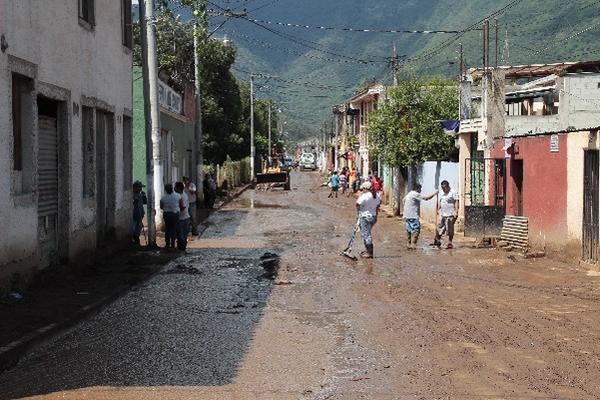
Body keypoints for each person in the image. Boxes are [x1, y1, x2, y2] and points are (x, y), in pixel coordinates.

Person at [403, 183, 438, 250]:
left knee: (409, 229)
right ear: (417, 188)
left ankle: (408, 244)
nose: (421, 190)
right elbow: (426, 198)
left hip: (407, 215)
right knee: (416, 229)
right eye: (420, 189)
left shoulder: (409, 194)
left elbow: (403, 200)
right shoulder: (415, 194)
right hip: (413, 215)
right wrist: (435, 193)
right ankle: (413, 244)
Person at [356, 181, 381, 258]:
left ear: (365, 188)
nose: (362, 190)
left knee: (366, 234)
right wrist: (376, 214)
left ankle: (370, 252)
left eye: (363, 189)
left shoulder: (365, 196)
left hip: (365, 217)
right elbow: (378, 204)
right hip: (373, 217)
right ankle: (367, 250)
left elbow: (357, 203)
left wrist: (359, 211)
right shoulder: (377, 195)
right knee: (367, 233)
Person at [433, 180, 460, 249]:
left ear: (448, 187)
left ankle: (450, 242)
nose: (443, 189)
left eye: (444, 188)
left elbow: (456, 201)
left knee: (450, 229)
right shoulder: (441, 192)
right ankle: (437, 239)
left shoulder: (453, 192)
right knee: (440, 227)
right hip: (443, 213)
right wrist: (437, 209)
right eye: (442, 188)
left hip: (451, 214)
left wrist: (456, 211)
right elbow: (440, 201)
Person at [160, 183, 181, 250]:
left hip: (166, 214)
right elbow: (181, 204)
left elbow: (161, 207)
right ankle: (173, 244)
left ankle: (167, 244)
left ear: (165, 190)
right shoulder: (178, 196)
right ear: (172, 188)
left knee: (168, 229)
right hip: (175, 214)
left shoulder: (163, 197)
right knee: (174, 229)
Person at [174, 181, 190, 251]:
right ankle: (182, 249)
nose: (174, 188)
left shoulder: (181, 196)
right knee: (182, 235)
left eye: (175, 187)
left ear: (178, 188)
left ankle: (181, 249)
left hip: (182, 218)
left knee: (181, 235)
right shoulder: (183, 195)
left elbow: (183, 208)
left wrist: (175, 210)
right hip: (184, 217)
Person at [132, 181, 147, 246]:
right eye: (139, 187)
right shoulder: (132, 195)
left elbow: (145, 202)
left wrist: (144, 197)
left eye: (141, 187)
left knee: (138, 230)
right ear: (135, 187)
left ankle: (137, 242)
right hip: (134, 215)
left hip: (140, 215)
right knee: (133, 230)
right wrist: (134, 201)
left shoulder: (140, 194)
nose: (141, 189)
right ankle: (134, 242)